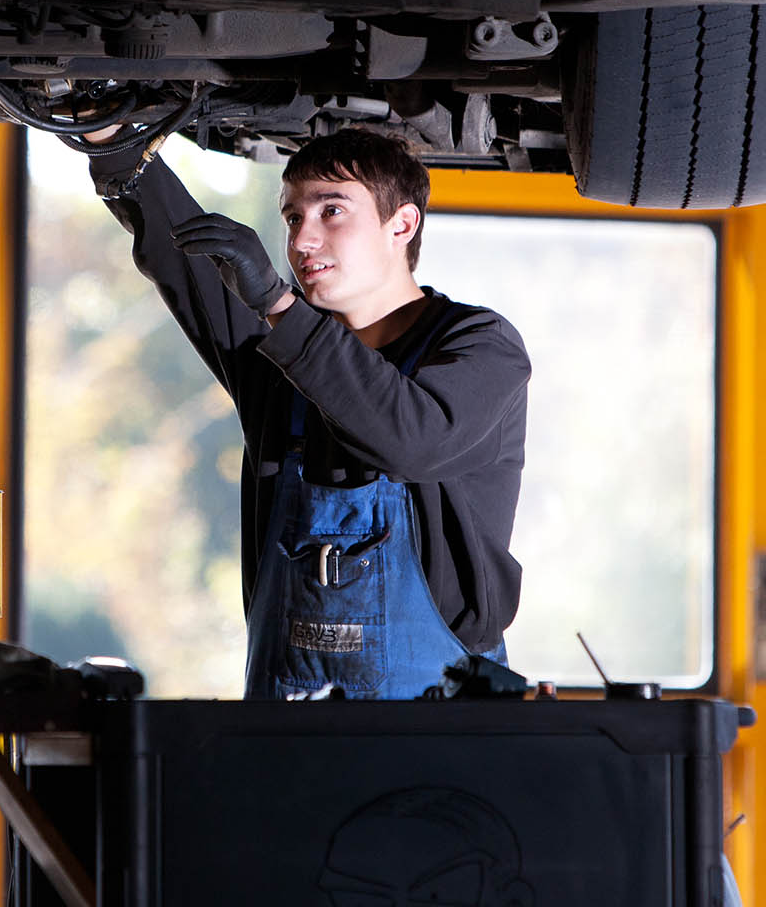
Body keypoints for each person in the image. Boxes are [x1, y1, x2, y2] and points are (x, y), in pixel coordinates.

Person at [87, 126, 529, 699]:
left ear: (402, 224)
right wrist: (111, 138)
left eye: (332, 211)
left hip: (436, 727)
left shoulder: (480, 345)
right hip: (282, 726)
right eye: (293, 217)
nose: (302, 241)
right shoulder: (276, 363)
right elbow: (185, 261)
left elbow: (411, 441)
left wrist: (276, 302)